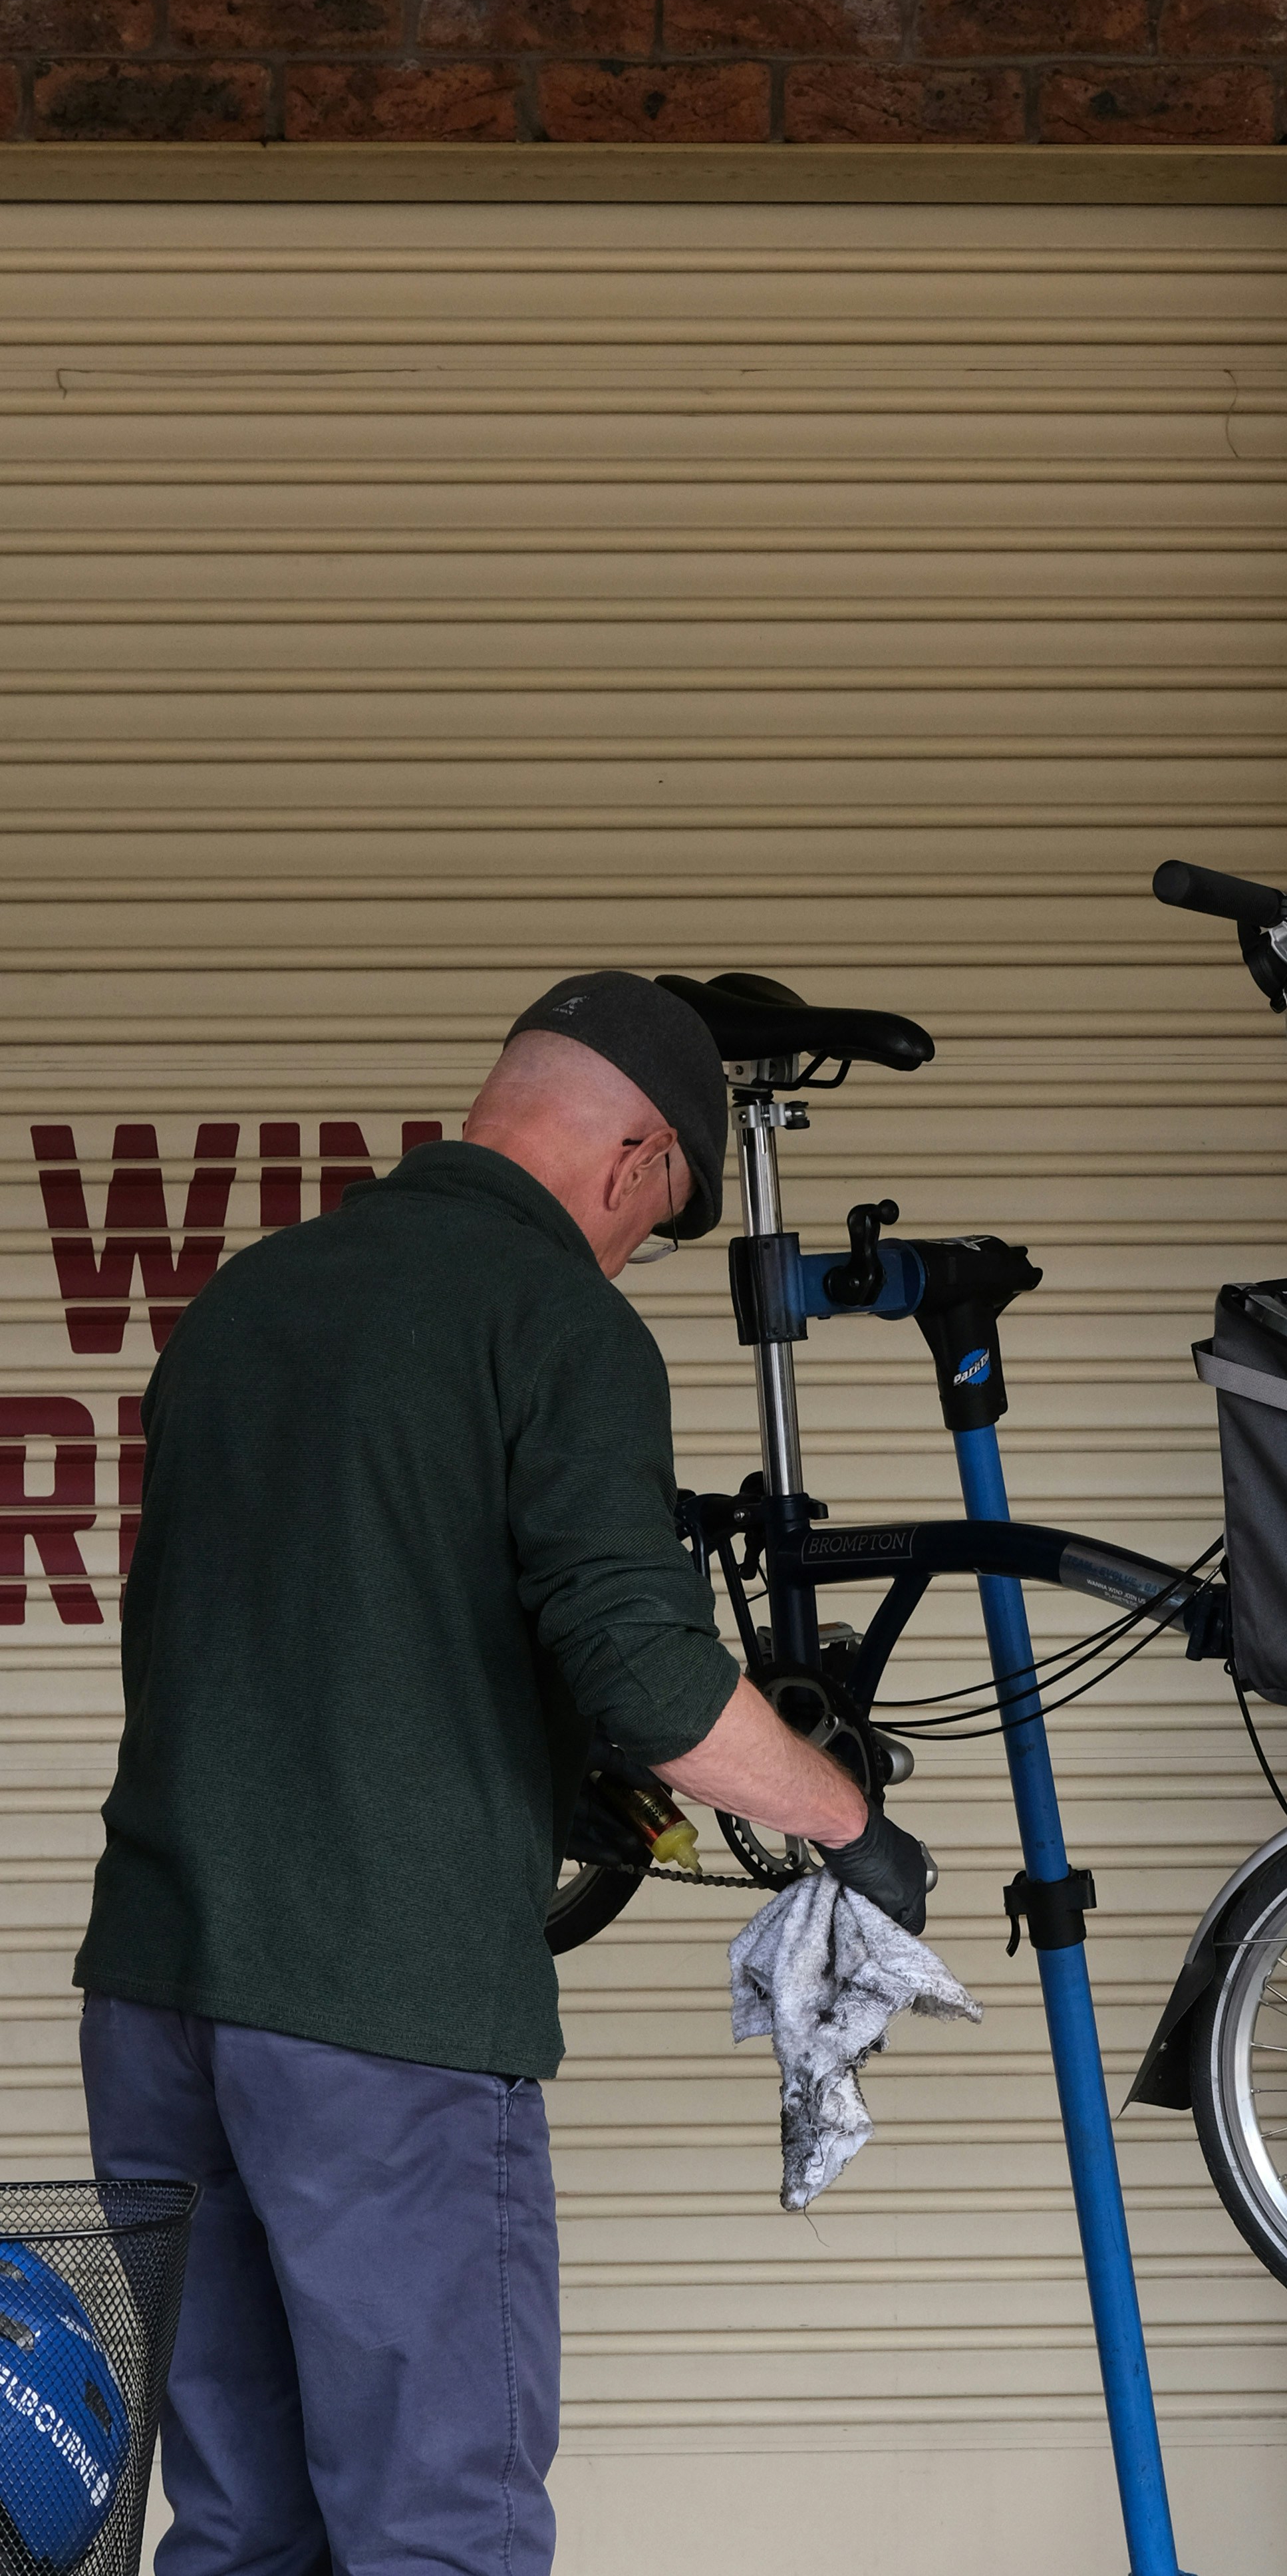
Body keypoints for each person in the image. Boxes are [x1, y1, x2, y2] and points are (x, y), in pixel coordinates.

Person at [74, 970, 929, 2576]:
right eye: (652, 1226)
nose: (630, 1258)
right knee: (436, 2525)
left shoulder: (246, 1303)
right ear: (633, 1168)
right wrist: (846, 1820)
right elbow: (651, 1673)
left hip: (153, 2001)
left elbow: (284, 1623)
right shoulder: (554, 1322)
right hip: (377, 2012)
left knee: (239, 2520)